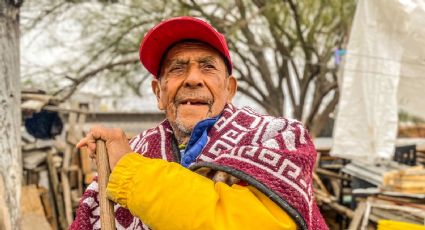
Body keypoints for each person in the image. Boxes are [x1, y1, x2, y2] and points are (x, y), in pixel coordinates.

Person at [71, 16, 327, 230]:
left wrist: (129, 169)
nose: (193, 79)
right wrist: (120, 161)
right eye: (177, 68)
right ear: (159, 93)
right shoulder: (131, 153)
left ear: (229, 89)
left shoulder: (280, 138)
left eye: (207, 67)